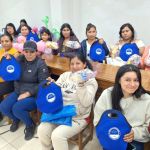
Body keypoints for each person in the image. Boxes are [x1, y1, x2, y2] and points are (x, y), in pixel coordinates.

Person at [38, 52, 98, 150]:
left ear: (84, 64)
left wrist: (81, 85)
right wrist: (53, 86)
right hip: (61, 112)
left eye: (78, 63)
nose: (74, 66)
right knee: (42, 130)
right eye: (72, 64)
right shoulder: (65, 75)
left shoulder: (90, 80)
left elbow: (87, 102)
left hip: (78, 118)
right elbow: (56, 94)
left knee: (57, 136)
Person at [0, 41, 49, 140]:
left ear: (36, 52)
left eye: (31, 52)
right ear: (23, 52)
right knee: (3, 107)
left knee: (17, 108)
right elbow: (8, 67)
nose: (29, 54)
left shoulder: (41, 64)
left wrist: (28, 93)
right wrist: (7, 59)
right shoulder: (19, 59)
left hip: (34, 95)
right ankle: (16, 119)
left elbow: (43, 84)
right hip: (19, 91)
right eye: (26, 52)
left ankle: (30, 125)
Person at [94, 64, 150, 150]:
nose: (132, 84)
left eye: (136, 80)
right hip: (111, 135)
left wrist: (135, 133)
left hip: (134, 139)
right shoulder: (107, 94)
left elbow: (148, 127)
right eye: (127, 80)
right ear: (119, 80)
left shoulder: (146, 99)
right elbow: (98, 120)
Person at [0, 34, 19, 121]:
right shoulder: (1, 51)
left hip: (9, 82)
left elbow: (13, 72)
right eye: (2, 41)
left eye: (7, 41)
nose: (4, 43)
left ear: (11, 42)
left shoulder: (15, 53)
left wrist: (10, 60)